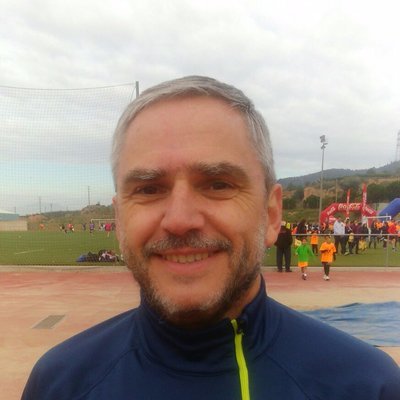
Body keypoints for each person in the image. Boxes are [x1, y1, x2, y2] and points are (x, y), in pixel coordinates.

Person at [22, 76, 400, 400]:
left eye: (218, 184)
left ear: (271, 214)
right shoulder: (59, 385)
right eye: (149, 189)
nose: (180, 220)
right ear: (120, 220)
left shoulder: (367, 387)